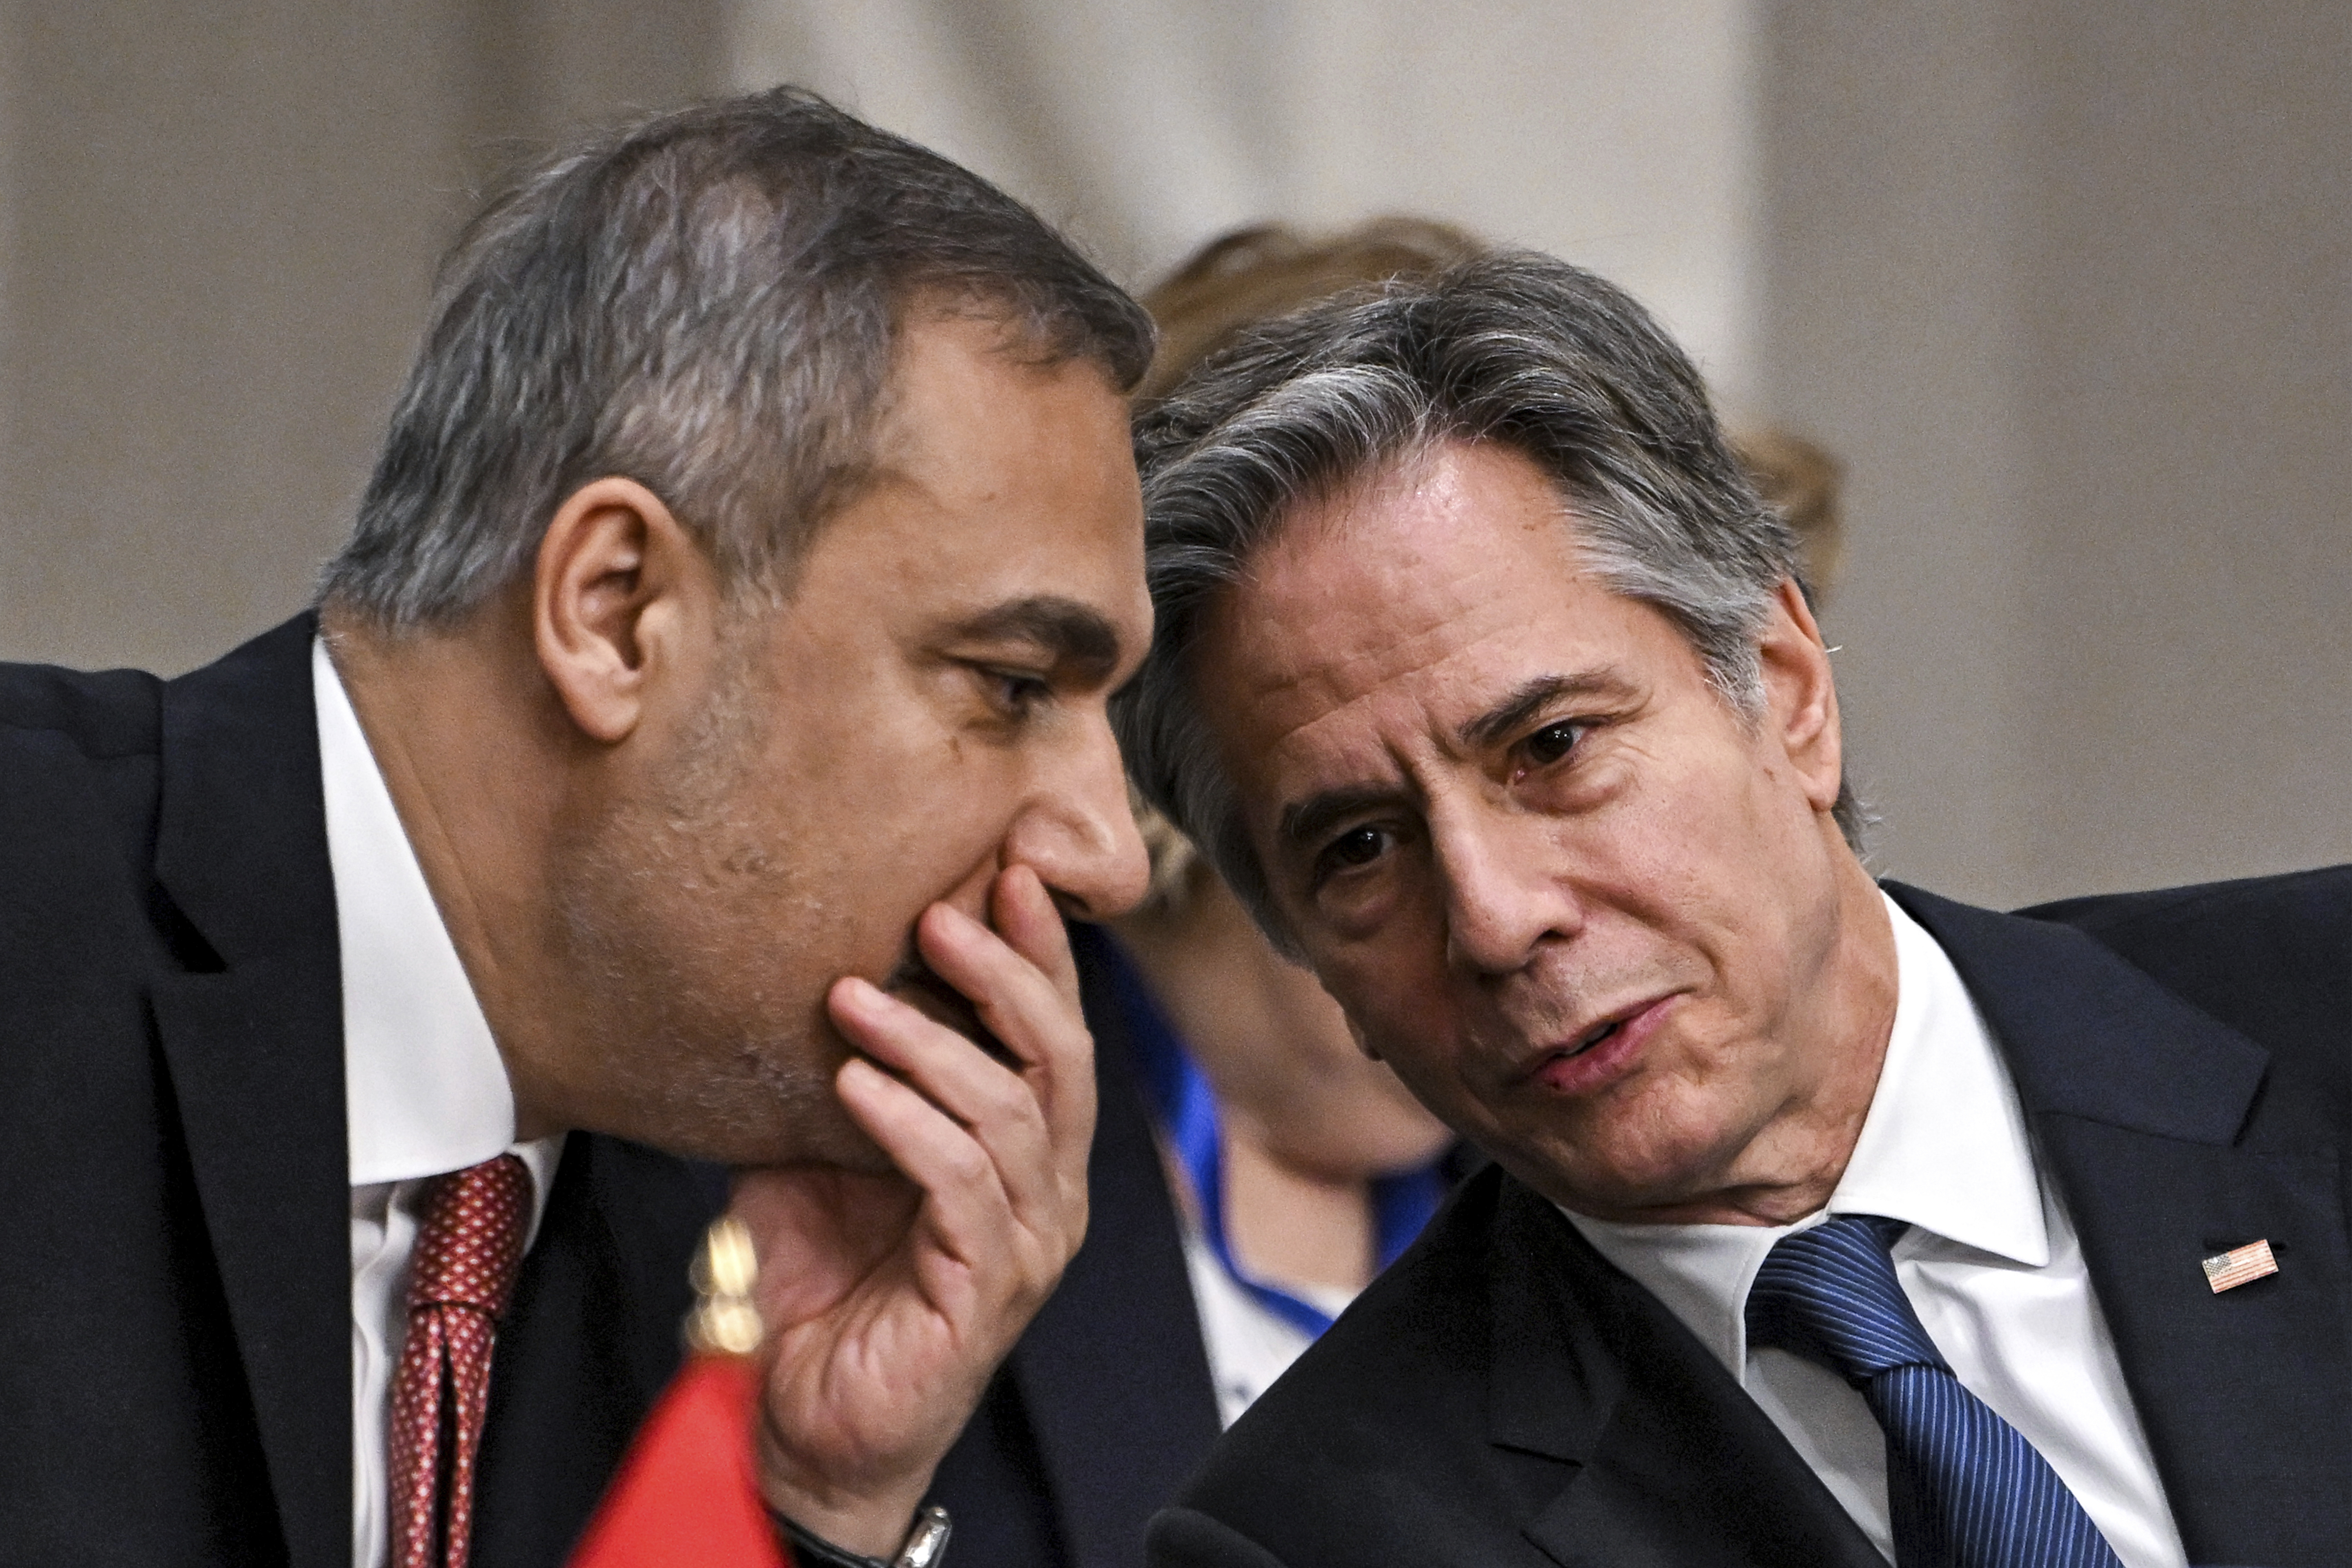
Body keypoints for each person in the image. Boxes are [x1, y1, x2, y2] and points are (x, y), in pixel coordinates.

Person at [0, 87, 1162, 1568]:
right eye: (1010, 686)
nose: (1108, 854)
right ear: (615, 612)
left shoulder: (751, 1251)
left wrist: (805, 1510)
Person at [1114, 251, 2350, 1568]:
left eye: (1552, 747)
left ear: (1786, 688)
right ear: (1301, 945)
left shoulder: (2318, 1014)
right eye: (1359, 847)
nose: (1492, 917)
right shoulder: (1327, 1536)